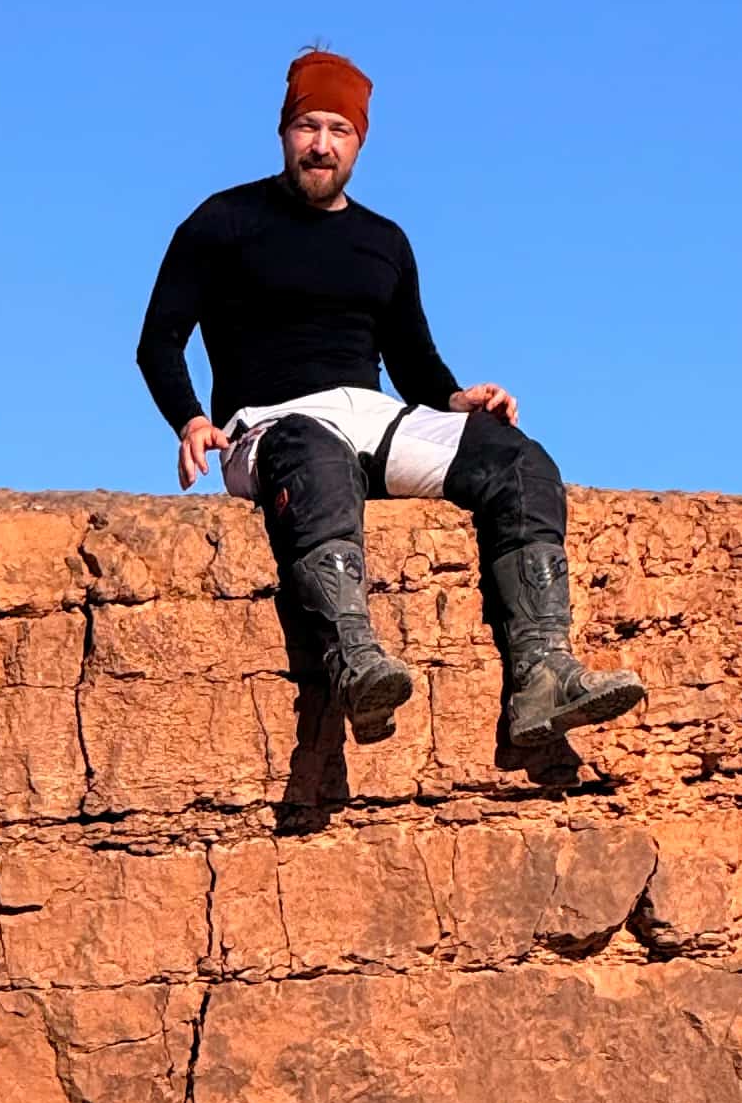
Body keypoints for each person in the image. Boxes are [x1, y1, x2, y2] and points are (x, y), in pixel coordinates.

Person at [135, 49, 644, 749]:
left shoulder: (384, 242)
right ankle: (355, 663)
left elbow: (412, 362)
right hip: (271, 427)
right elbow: (158, 340)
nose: (321, 146)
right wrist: (190, 418)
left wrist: (458, 398)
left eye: (338, 131)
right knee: (317, 455)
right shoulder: (223, 221)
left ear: (359, 142)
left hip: (375, 418)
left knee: (518, 459)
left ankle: (543, 673)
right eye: (308, 127)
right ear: (283, 132)